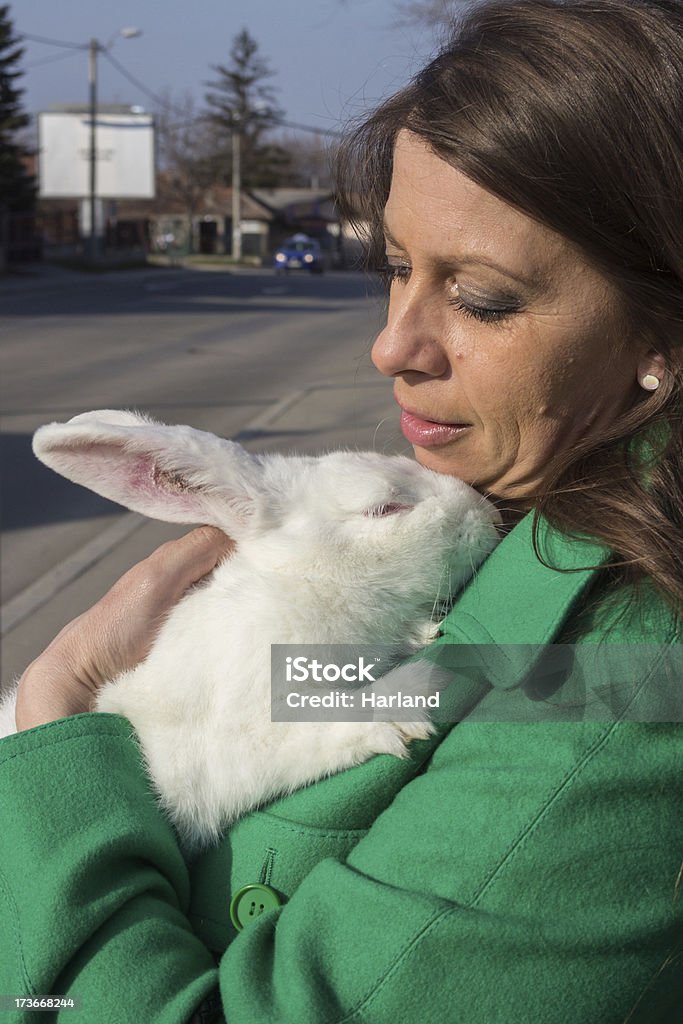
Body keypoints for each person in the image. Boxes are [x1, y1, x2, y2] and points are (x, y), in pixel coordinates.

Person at [1, 0, 681, 1020]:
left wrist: (54, 722)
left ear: (656, 333)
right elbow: (423, 685)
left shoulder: (622, 680)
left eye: (482, 298)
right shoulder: (528, 529)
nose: (391, 346)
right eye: (398, 268)